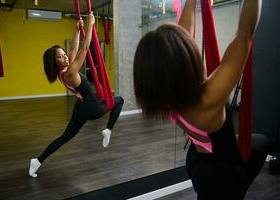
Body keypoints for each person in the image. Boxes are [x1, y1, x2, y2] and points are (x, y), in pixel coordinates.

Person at [133, 0, 269, 199]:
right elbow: (245, 34)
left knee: (260, 143)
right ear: (183, 63)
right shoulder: (207, 100)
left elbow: (185, 30)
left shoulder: (166, 94)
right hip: (220, 174)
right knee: (260, 146)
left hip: (197, 160)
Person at [29, 13, 124, 178]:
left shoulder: (63, 72)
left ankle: (37, 161)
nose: (65, 56)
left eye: (63, 53)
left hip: (80, 107)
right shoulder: (70, 72)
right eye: (60, 56)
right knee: (120, 100)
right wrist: (90, 26)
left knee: (65, 137)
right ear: (54, 62)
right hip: (90, 107)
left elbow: (73, 48)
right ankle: (108, 130)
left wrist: (76, 29)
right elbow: (84, 49)